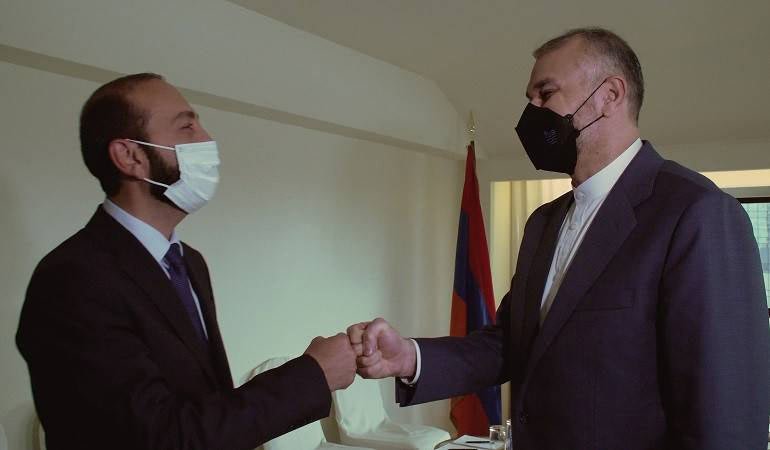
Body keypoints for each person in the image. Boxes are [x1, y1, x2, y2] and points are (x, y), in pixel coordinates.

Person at [348, 28, 770, 449]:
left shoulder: (696, 213)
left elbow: (726, 413)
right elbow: (511, 344)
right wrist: (409, 357)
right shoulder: (542, 223)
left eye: (546, 93)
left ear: (610, 95)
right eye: (530, 98)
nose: (531, 112)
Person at [16, 73, 357, 450]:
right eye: (186, 127)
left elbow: (207, 405)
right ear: (130, 157)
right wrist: (313, 375)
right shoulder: (72, 279)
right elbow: (158, 437)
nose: (207, 140)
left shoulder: (188, 262)